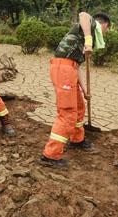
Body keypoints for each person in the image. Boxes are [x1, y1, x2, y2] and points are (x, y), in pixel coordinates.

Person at [40, 12, 111, 168]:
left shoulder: (82, 38)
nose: (105, 33)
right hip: (63, 69)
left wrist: (85, 90)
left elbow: (76, 67)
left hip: (69, 69)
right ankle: (50, 155)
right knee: (67, 113)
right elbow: (83, 14)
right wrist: (89, 41)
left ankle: (76, 140)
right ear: (104, 24)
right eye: (107, 30)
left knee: (79, 107)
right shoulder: (91, 25)